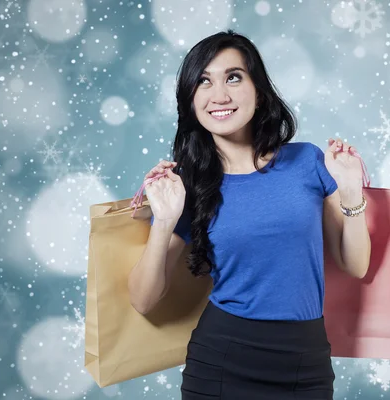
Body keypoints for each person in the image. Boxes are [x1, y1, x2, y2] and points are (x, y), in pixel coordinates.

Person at [128, 29, 371, 399]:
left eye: (234, 77)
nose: (219, 95)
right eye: (204, 82)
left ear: (258, 91)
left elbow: (356, 265)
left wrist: (351, 194)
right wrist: (163, 222)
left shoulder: (307, 162)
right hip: (223, 361)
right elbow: (143, 301)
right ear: (191, 100)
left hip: (306, 362)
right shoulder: (191, 186)